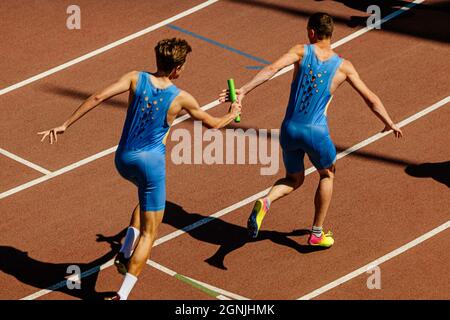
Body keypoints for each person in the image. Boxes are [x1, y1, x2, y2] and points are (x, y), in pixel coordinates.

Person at [38, 38, 241, 300]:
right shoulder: (181, 98)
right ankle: (121, 295)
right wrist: (232, 111)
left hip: (123, 160)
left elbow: (99, 96)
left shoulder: (136, 78)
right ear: (177, 68)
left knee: (144, 198)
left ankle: (124, 251)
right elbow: (213, 125)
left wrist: (66, 124)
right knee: (150, 232)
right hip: (151, 165)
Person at [220, 12, 402, 248]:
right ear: (330, 34)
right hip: (316, 133)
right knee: (327, 174)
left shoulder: (300, 51)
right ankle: (316, 233)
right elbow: (370, 99)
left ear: (312, 33)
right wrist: (389, 121)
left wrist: (244, 90)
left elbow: (271, 69)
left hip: (289, 129)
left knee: (293, 178)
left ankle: (266, 201)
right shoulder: (344, 67)